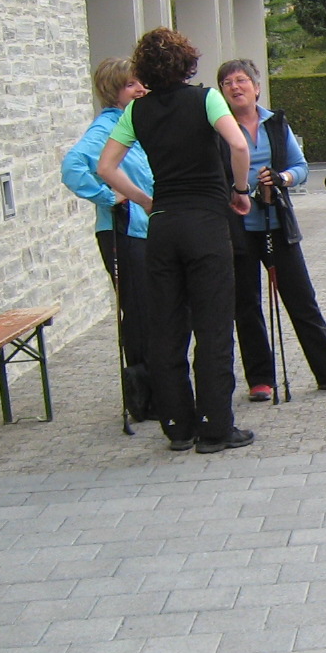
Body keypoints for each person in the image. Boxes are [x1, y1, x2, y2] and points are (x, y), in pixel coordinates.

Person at [96, 27, 255, 454]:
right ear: (187, 62)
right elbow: (239, 145)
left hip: (163, 225)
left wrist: (145, 200)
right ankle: (215, 427)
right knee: (213, 326)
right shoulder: (205, 99)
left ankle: (178, 427)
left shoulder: (136, 111)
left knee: (166, 328)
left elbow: (106, 167)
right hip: (206, 222)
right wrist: (240, 191)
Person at [216, 59, 326, 400]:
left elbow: (300, 167)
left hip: (277, 222)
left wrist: (282, 178)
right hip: (236, 228)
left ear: (256, 87)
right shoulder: (218, 129)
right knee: (246, 304)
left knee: (301, 298)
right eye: (227, 83)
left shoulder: (276, 125)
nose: (235, 87)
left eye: (241, 80)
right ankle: (260, 379)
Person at [63, 58, 153, 413]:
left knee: (152, 311)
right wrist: (107, 196)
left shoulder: (133, 124)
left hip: (145, 231)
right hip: (123, 231)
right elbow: (73, 167)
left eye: (141, 82)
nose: (140, 89)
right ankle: (144, 398)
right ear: (113, 91)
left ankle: (157, 390)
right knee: (139, 313)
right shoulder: (107, 128)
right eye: (131, 85)